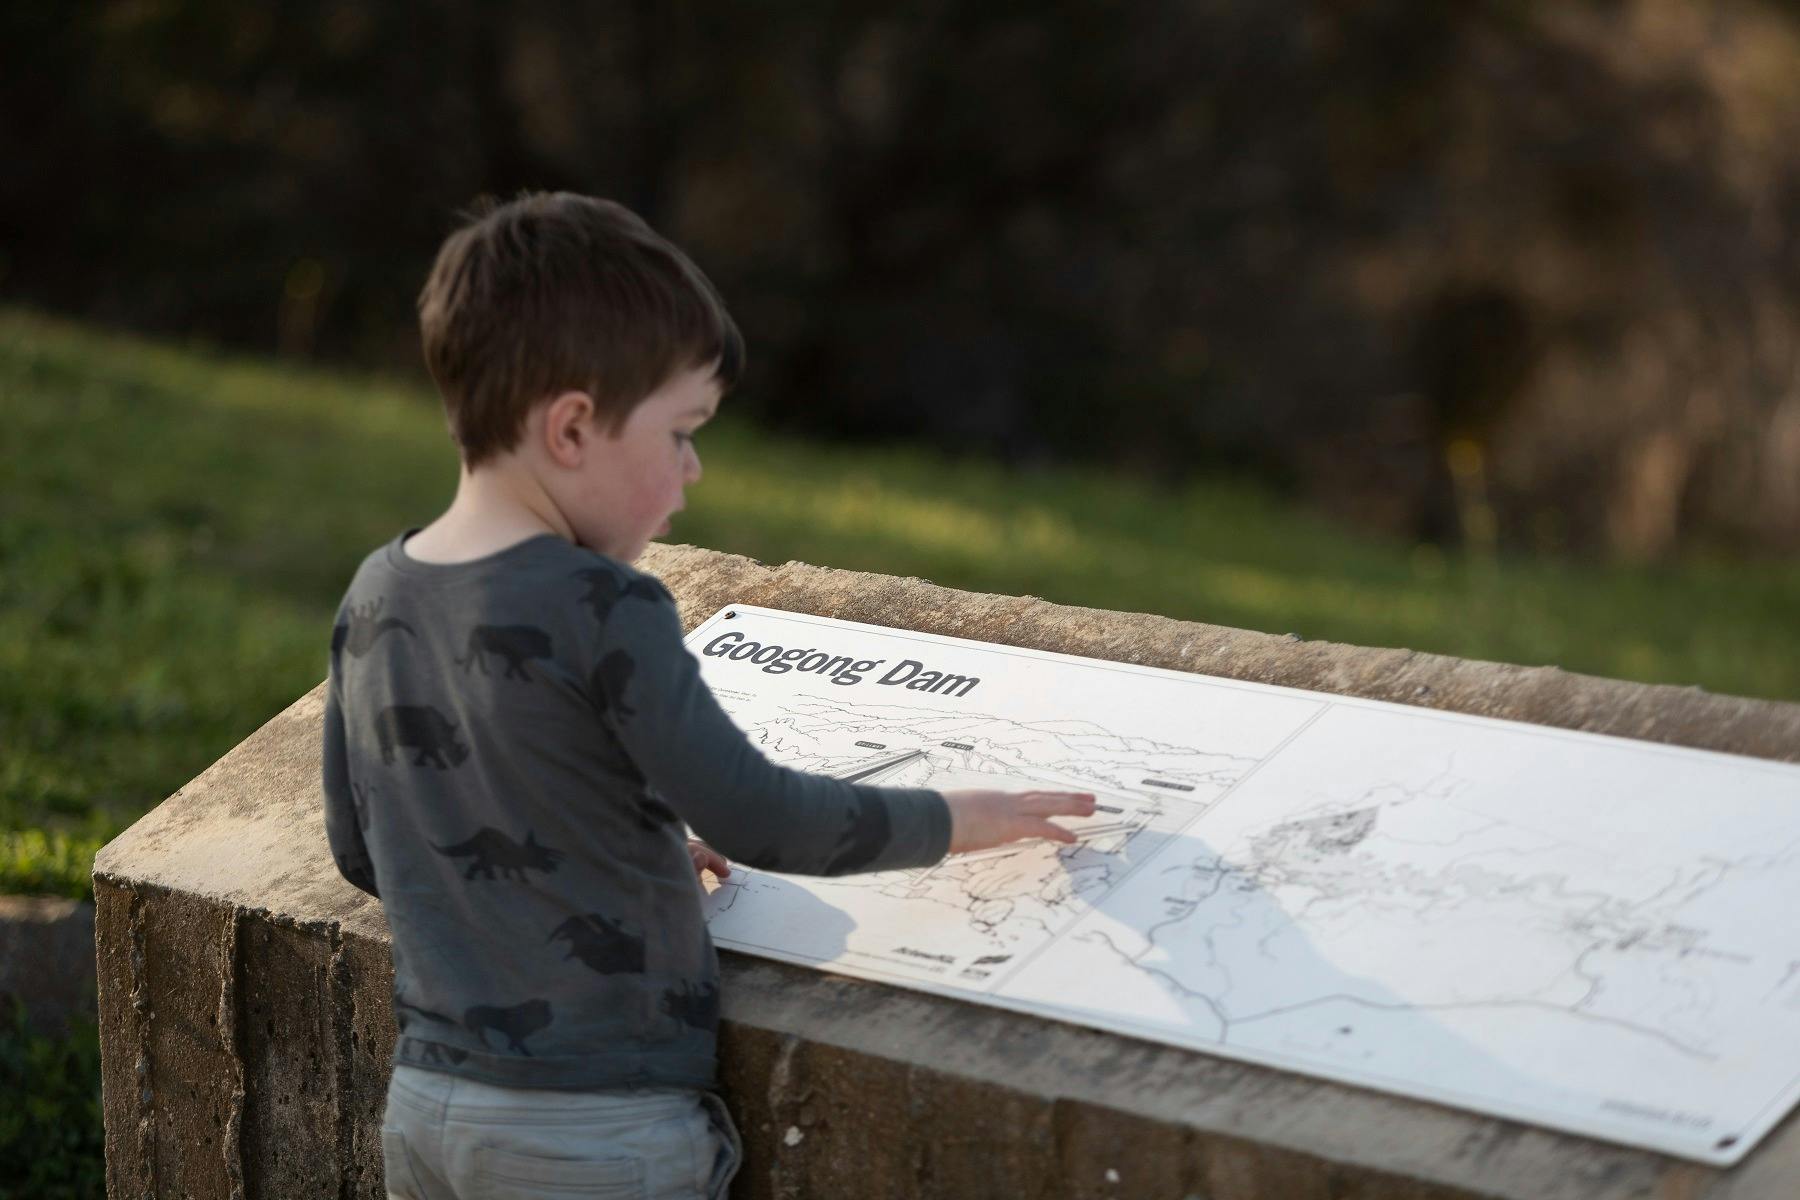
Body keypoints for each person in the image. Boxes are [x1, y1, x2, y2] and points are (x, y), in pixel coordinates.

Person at [320, 191, 1095, 1199]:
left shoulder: (377, 592)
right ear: (572, 427)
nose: (690, 475)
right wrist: (955, 818)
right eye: (682, 432)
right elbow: (759, 817)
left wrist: (604, 859)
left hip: (427, 1115)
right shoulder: (607, 604)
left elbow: (362, 846)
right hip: (595, 1141)